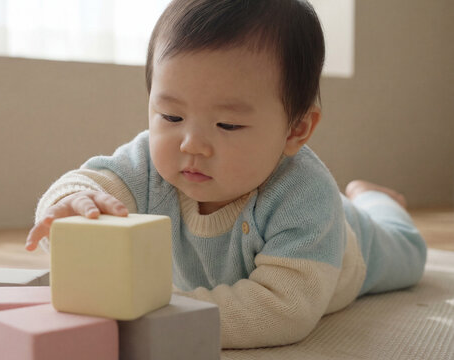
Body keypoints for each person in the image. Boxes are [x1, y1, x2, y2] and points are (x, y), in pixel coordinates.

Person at [25, 0, 427, 349]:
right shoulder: (149, 163)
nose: (191, 145)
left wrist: (163, 310)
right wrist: (73, 207)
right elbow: (89, 183)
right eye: (171, 116)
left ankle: (378, 200)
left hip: (350, 244)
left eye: (228, 125)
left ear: (295, 130)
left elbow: (284, 311)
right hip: (312, 220)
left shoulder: (303, 196)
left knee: (410, 251)